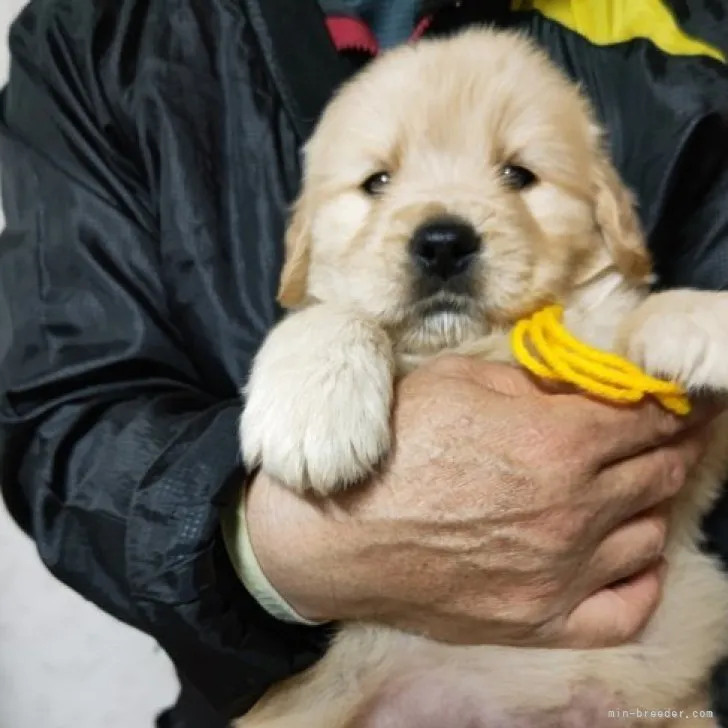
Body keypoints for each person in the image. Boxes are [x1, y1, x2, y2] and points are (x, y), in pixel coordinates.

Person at [2, 0, 728, 726]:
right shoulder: (97, 36)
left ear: (609, 213)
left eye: (517, 172)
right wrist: (272, 548)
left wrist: (672, 321)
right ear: (305, 236)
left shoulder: (684, 31)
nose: (445, 231)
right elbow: (62, 415)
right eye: (379, 182)